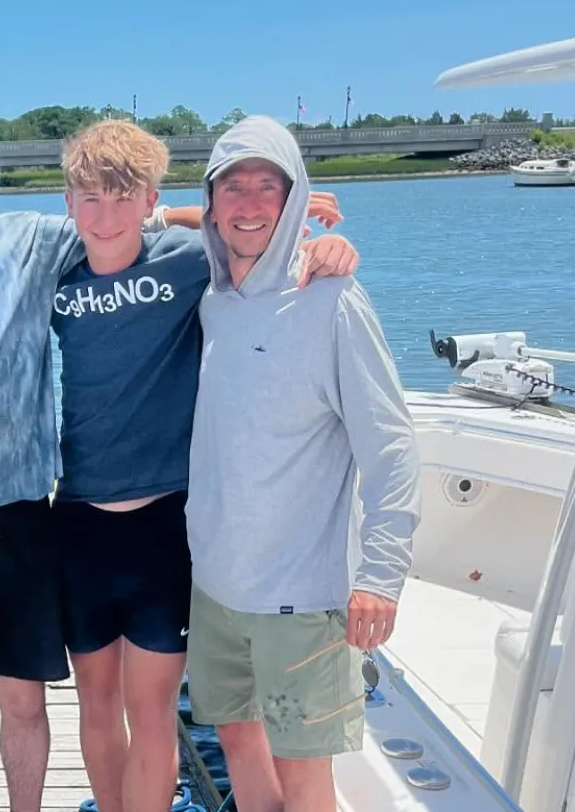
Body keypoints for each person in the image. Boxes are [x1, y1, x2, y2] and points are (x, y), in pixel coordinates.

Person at [0, 113, 356, 812]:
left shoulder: (133, 254)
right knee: (48, 708)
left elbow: (206, 232)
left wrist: (306, 242)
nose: (105, 213)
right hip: (35, 521)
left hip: (115, 521)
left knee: (119, 711)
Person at [50, 120, 355, 812]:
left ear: (150, 198)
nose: (105, 213)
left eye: (124, 197)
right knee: (96, 708)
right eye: (89, 198)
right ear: (69, 203)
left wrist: (320, 239)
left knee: (152, 710)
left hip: (163, 524)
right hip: (75, 521)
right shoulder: (53, 270)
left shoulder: (187, 261)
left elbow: (249, 237)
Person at [185, 115, 419, 812]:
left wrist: (380, 574)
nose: (250, 204)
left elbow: (393, 443)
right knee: (235, 739)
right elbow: (117, 225)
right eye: (234, 186)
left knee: (306, 777)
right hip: (218, 587)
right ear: (213, 202)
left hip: (304, 597)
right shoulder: (214, 297)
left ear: (296, 199)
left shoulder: (333, 299)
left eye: (269, 187)